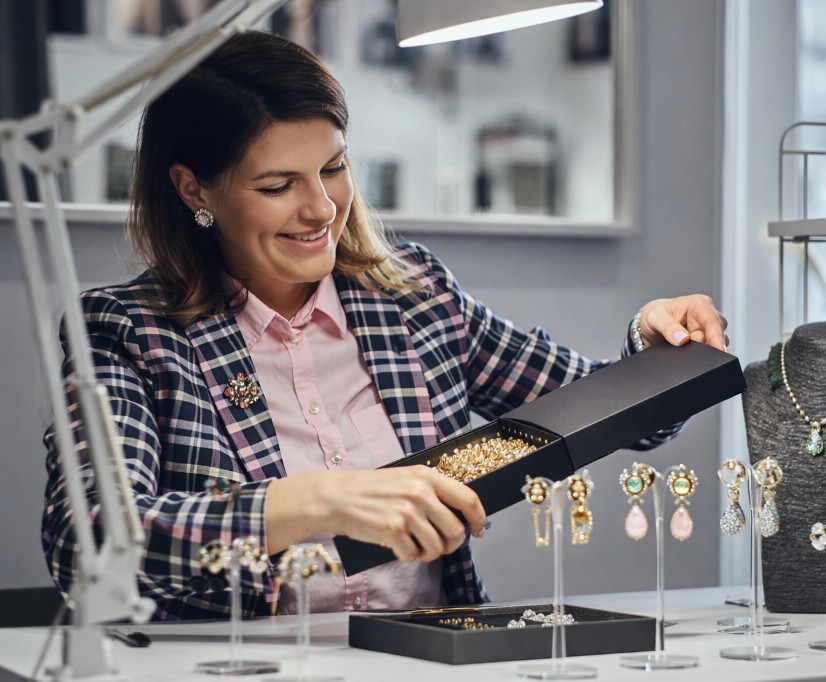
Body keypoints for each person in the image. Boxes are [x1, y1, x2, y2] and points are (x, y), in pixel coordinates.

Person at [41, 31, 728, 621]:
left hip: (421, 660)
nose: (320, 209)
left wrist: (655, 344)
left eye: (334, 169)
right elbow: (91, 543)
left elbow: (629, 420)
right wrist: (319, 500)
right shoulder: (128, 332)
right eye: (278, 186)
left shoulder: (414, 298)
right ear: (194, 189)